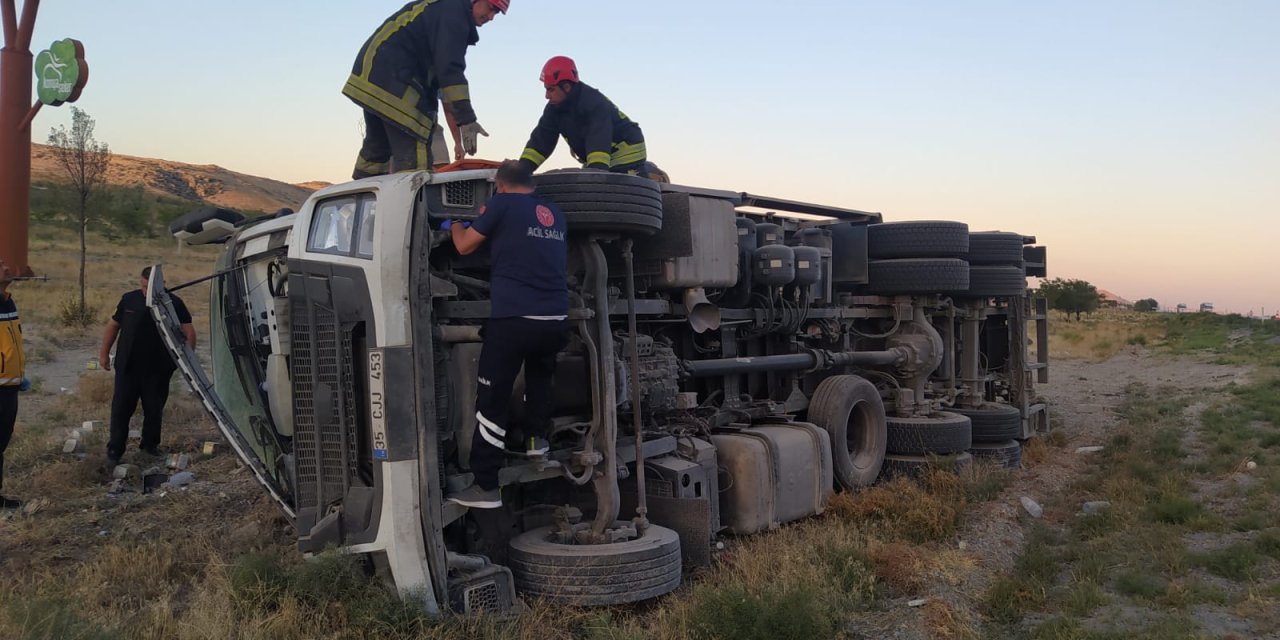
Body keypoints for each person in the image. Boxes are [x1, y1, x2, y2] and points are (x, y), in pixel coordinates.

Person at [443, 160, 570, 509]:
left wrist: (455, 224)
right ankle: (537, 441)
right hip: (556, 318)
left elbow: (465, 246)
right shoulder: (553, 212)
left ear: (499, 185)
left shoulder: (501, 204)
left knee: (491, 399)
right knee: (540, 379)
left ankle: (485, 485)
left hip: (514, 320)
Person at [344, 0, 509, 180]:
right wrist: (467, 118)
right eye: (491, 8)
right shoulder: (455, 16)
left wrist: (460, 120)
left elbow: (445, 83)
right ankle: (408, 207)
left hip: (372, 78)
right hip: (397, 82)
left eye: (497, 14)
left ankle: (360, 199)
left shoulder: (443, 9)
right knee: (415, 160)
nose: (491, 17)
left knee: (375, 150)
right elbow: (450, 70)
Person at [98, 267, 196, 465]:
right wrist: (104, 353)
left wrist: (187, 361)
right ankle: (115, 449)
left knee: (154, 409)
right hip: (128, 366)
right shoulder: (129, 299)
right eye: (143, 287)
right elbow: (113, 326)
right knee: (121, 409)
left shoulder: (173, 303)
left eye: (149, 288)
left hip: (158, 369)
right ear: (140, 282)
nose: (145, 291)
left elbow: (189, 332)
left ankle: (149, 447)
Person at [518, 56, 669, 182]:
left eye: (550, 89)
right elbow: (540, 142)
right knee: (592, 178)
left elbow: (598, 139)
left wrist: (596, 175)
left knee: (619, 186)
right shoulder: (554, 108)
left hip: (627, 149)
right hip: (601, 153)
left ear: (566, 86)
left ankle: (653, 177)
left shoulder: (593, 102)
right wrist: (520, 172)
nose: (546, 95)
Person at [0, 259, 30, 509]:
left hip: (9, 387)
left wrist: (18, 374)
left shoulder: (8, 301)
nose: (7, 267)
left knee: (1, 441)